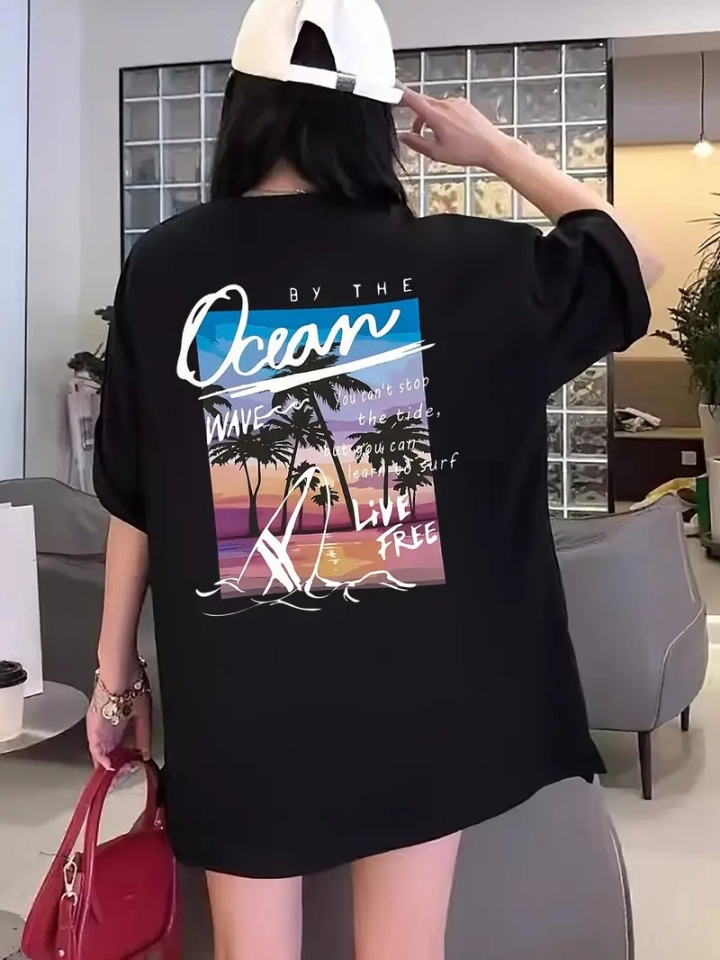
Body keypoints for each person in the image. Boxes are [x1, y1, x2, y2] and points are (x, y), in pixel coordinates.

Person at [88, 1, 662, 958]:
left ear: (242, 105)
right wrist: (496, 150)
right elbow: (633, 261)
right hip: (420, 699)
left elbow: (130, 490)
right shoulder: (457, 264)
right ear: (373, 115)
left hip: (241, 703)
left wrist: (115, 680)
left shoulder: (167, 266)